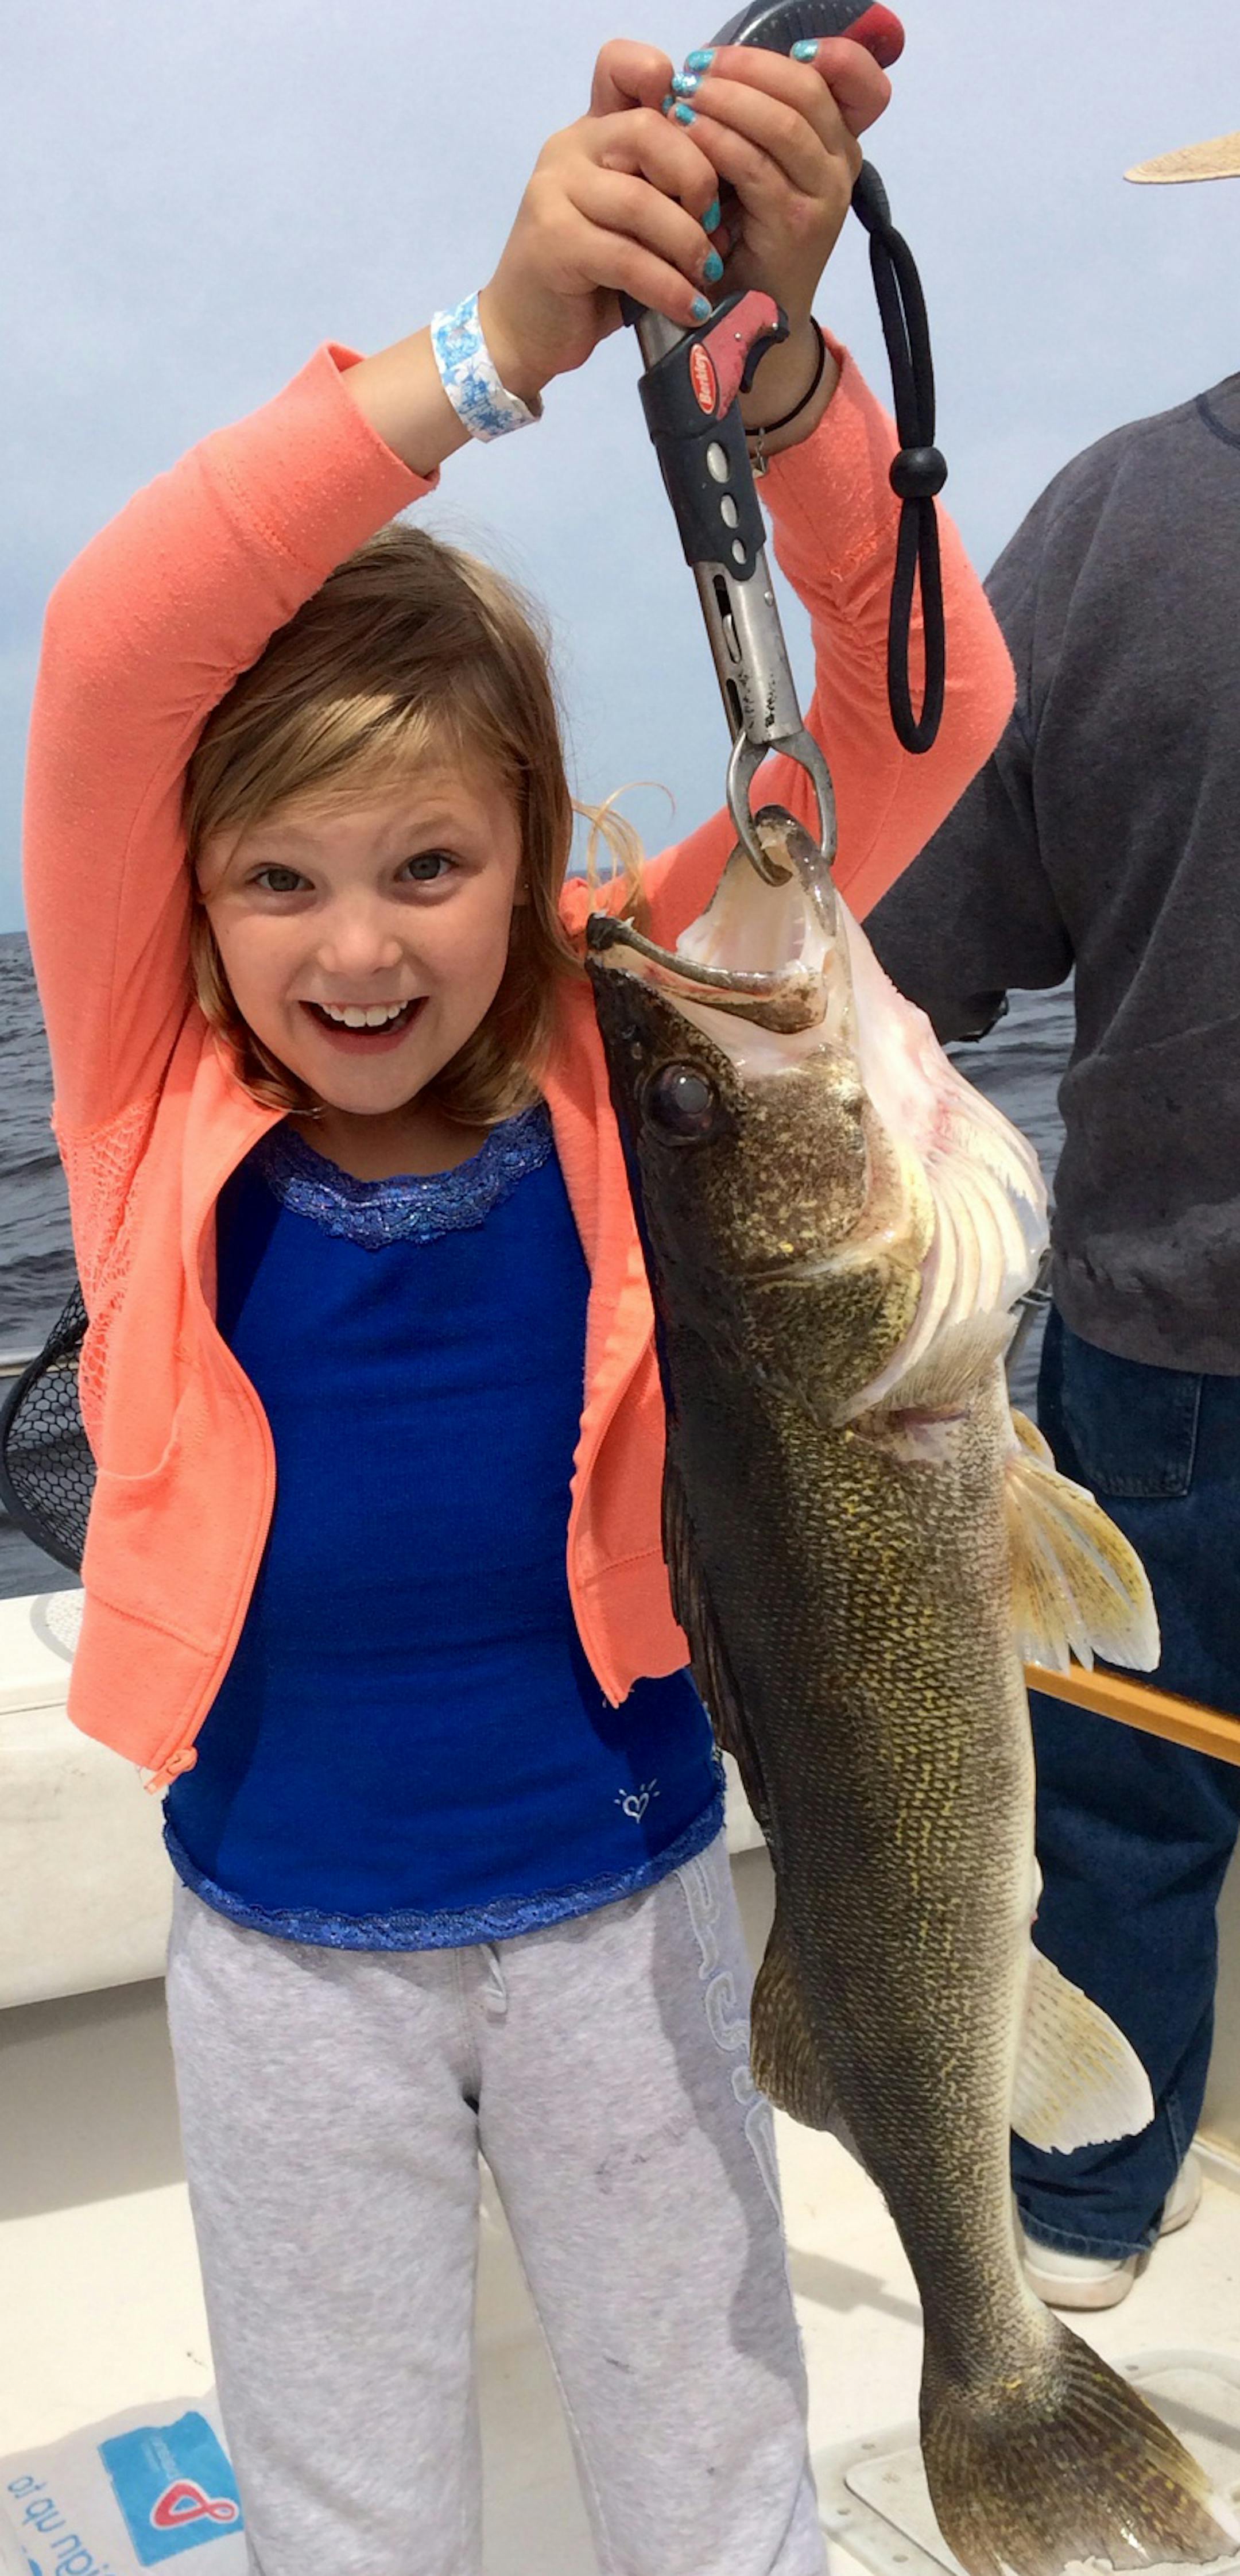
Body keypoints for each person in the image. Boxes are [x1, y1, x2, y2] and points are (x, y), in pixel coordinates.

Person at [23, 34, 1013, 2574]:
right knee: (347, 2499)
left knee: (714, 2461)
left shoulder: (629, 1036)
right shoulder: (144, 1086)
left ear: (541, 852)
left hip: (634, 1918)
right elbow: (122, 643)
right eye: (281, 880)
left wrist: (773, 371)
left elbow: (926, 706)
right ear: (186, 897)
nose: (357, 948)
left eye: (433, 866)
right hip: (282, 1962)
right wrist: (489, 353)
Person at [866, 121, 1240, 2314]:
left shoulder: (1113, 520)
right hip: (1155, 1333)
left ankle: (1092, 2209)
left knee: (1123, 1798)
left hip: (1168, 1341)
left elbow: (926, 959)